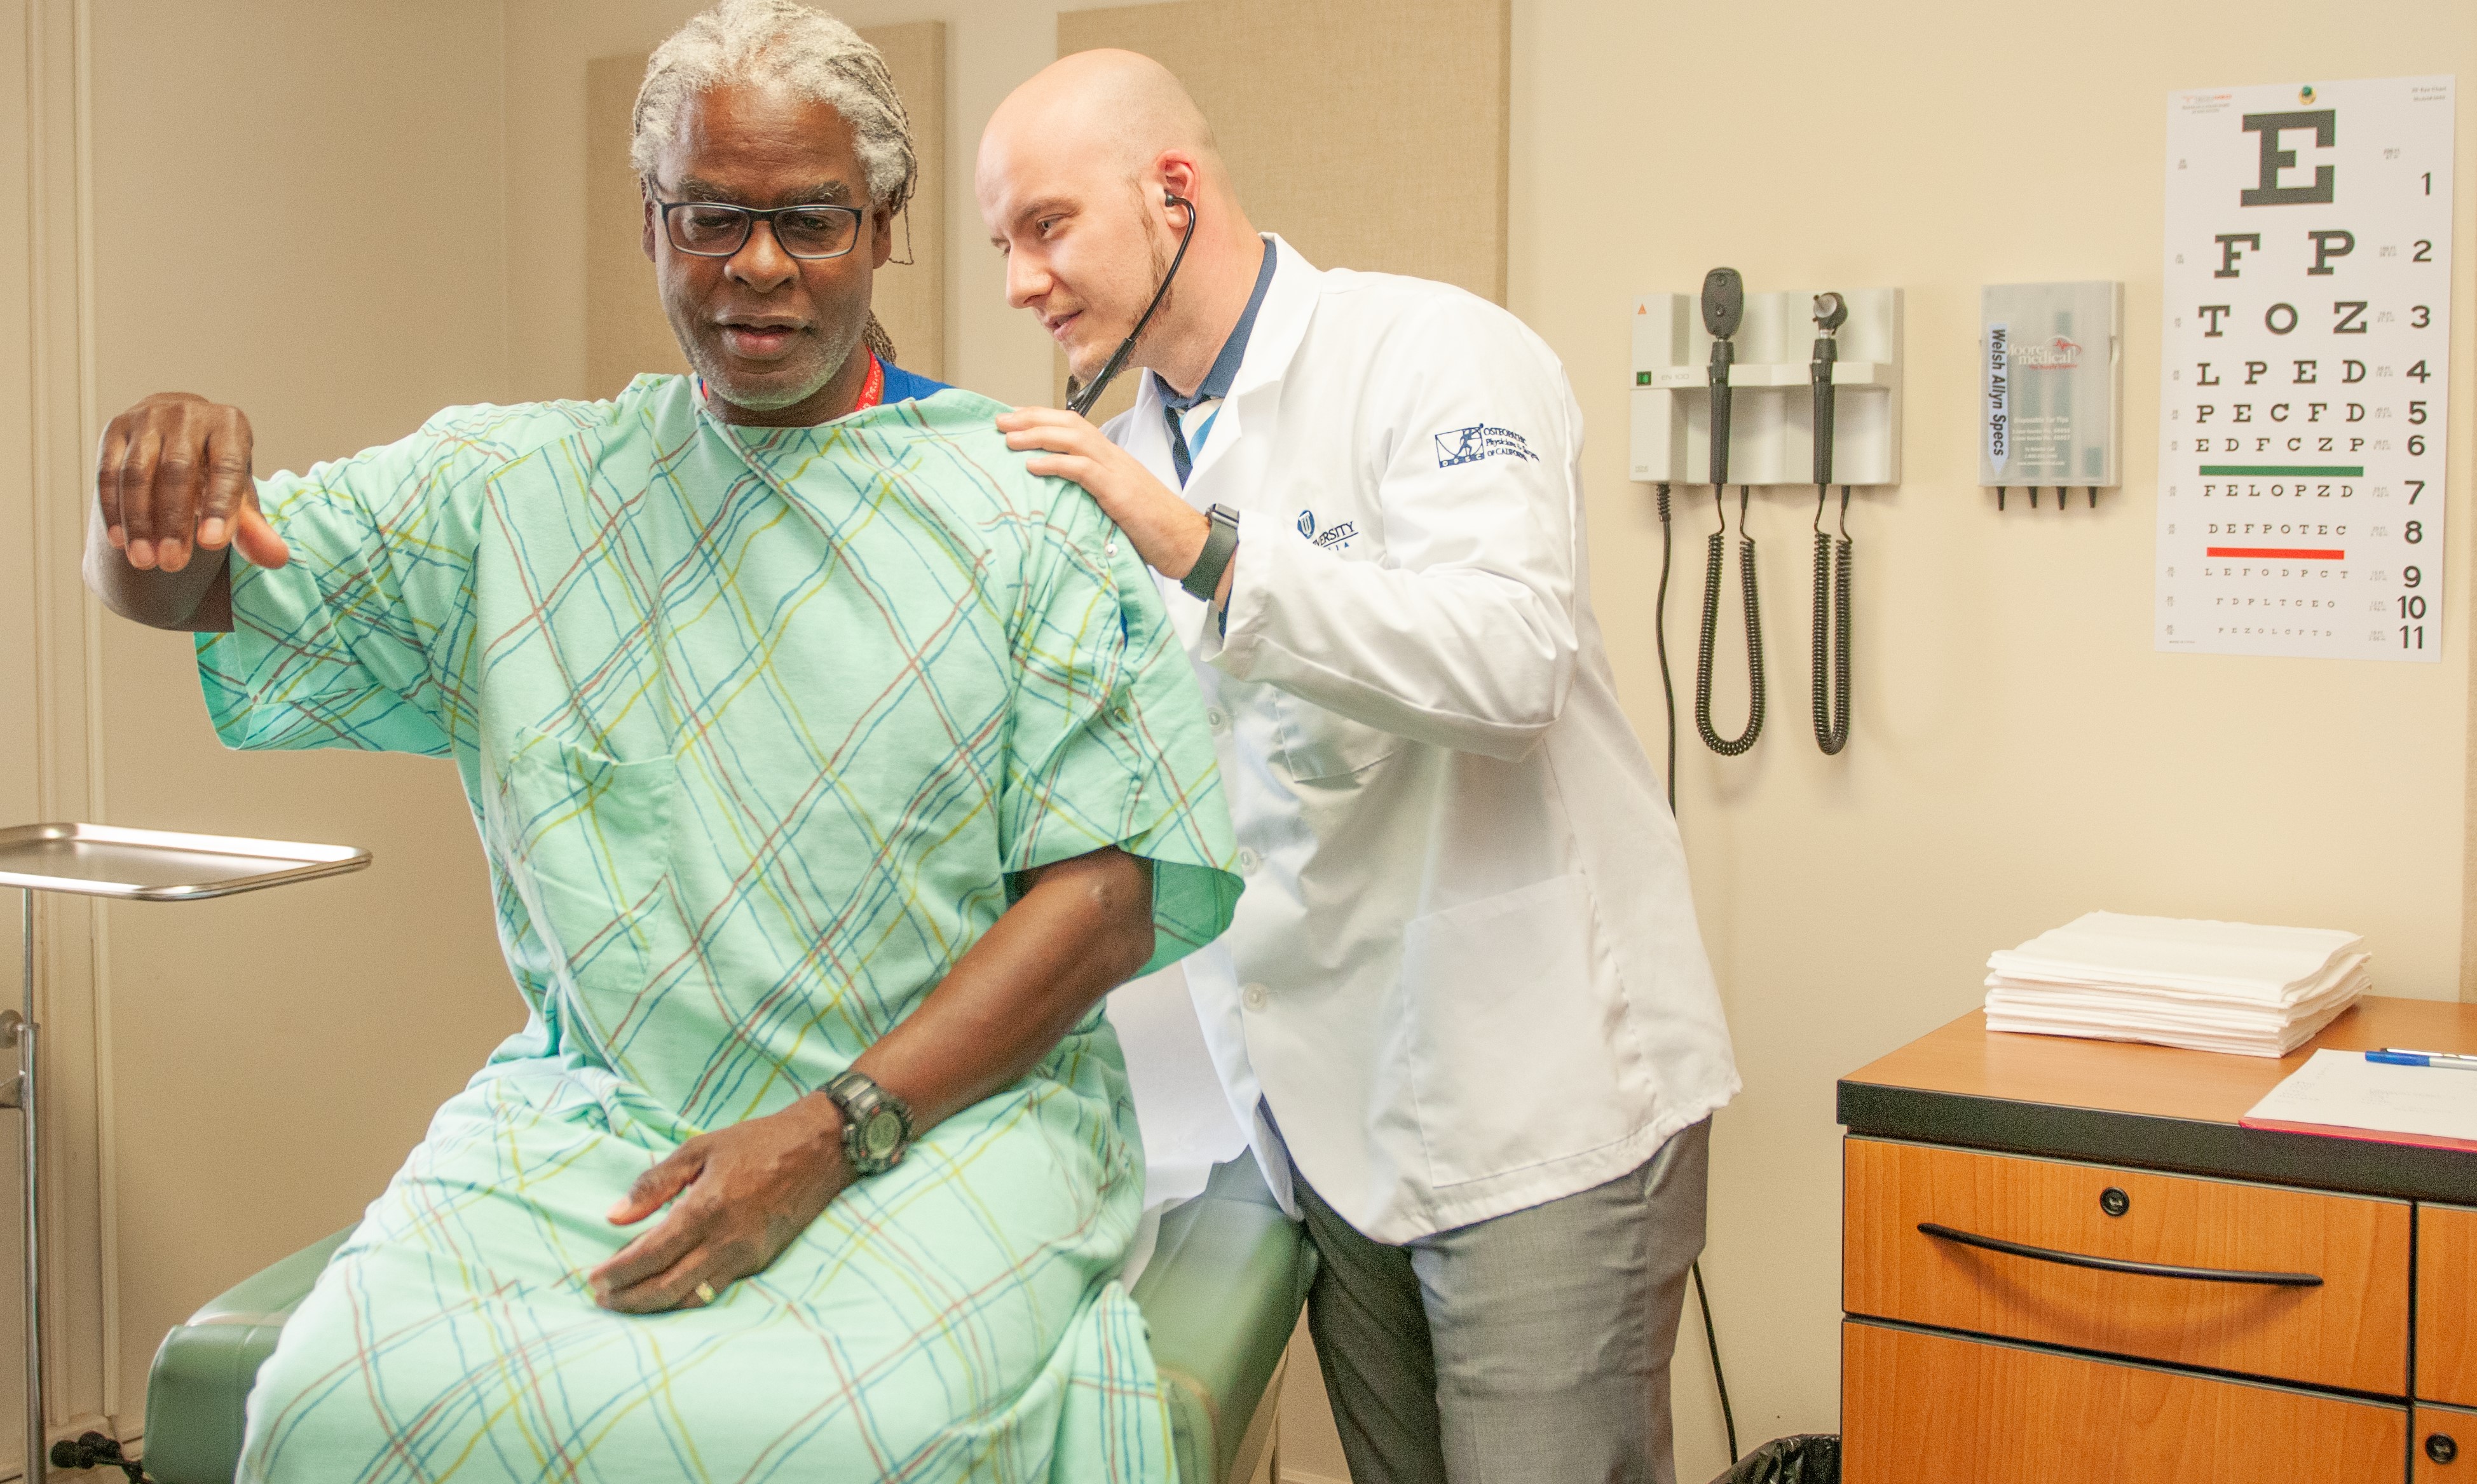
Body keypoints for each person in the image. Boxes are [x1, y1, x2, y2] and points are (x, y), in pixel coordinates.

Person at [83, 6, 1239, 1480]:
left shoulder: (1019, 515)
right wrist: (146, 506)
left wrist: (831, 1130)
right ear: (651, 225)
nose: (757, 264)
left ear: (884, 226)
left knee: (824, 1437)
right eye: (712, 217)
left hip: (949, 1122)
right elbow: (197, 587)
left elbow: (1106, 900)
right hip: (596, 1106)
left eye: (809, 220)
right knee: (329, 1405)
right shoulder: (521, 495)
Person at [978, 50, 1740, 1484]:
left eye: (1046, 226)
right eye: (1000, 245)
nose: (1020, 281)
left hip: (1532, 1100)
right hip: (1319, 1117)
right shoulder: (1125, 451)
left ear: (1173, 193)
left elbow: (1510, 664)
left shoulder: (1430, 353)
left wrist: (1204, 549)